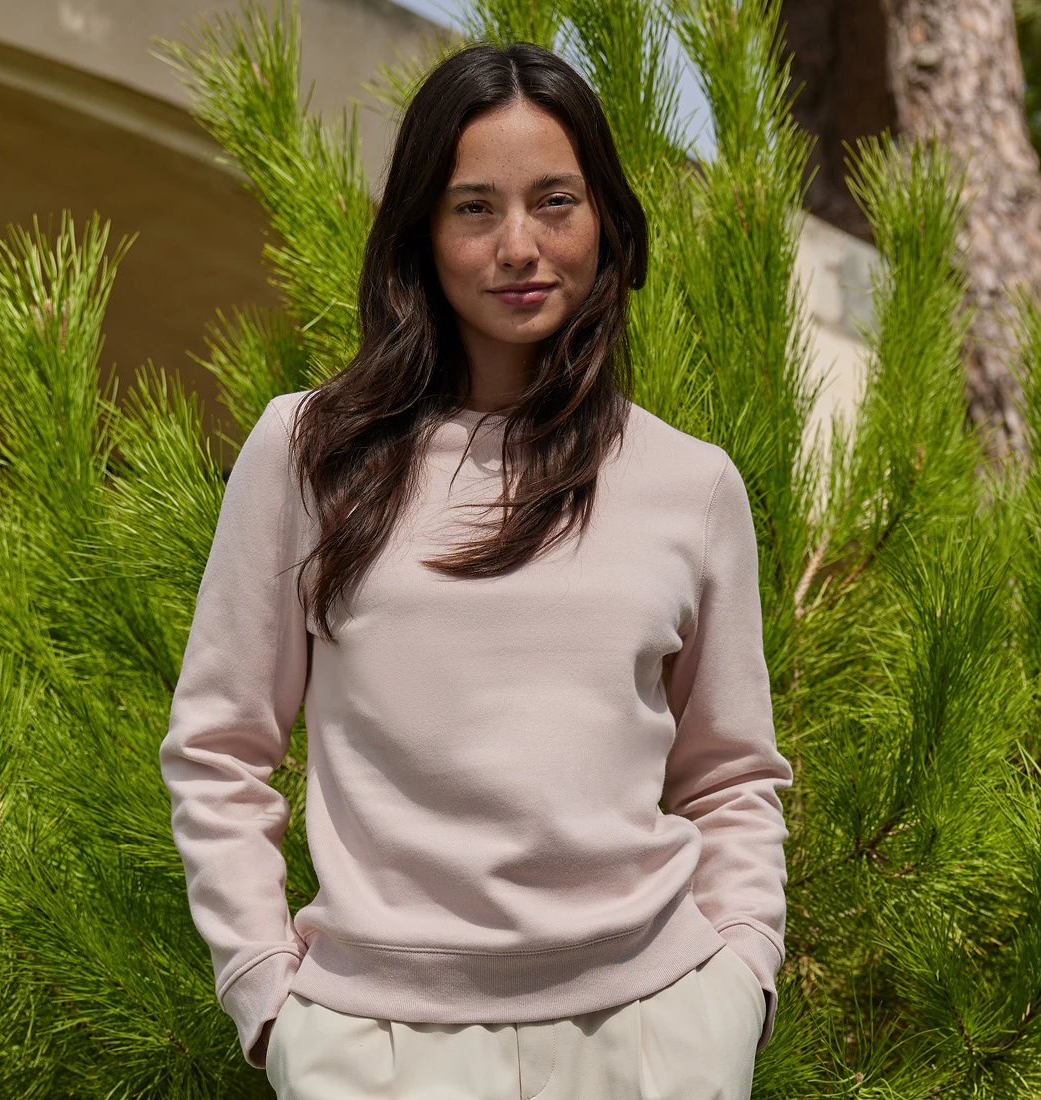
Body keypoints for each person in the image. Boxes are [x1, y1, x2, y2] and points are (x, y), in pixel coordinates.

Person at [160, 39, 793, 1100]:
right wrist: (269, 997)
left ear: (605, 220)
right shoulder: (310, 454)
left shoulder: (691, 483)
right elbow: (219, 747)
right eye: (472, 209)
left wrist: (739, 984)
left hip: (656, 1036)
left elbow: (730, 775)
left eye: (555, 202)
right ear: (420, 228)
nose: (518, 247)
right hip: (377, 1051)